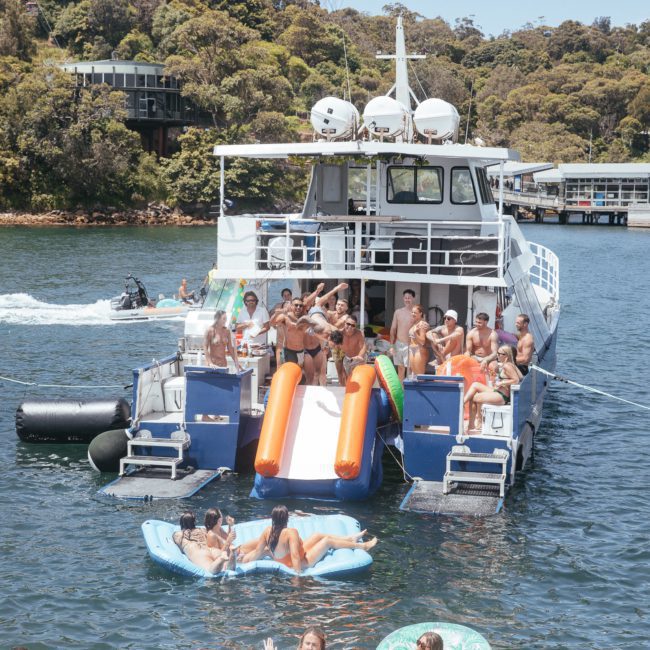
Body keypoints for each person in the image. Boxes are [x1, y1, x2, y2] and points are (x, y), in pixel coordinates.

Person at [240, 505, 377, 575]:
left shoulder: (267, 531)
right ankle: (363, 547)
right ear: (286, 518)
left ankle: (350, 538)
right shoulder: (290, 533)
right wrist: (298, 576)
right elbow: (295, 556)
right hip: (303, 562)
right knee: (327, 541)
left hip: (288, 558)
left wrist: (243, 560)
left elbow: (258, 552)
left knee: (317, 535)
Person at [463, 345, 523, 432]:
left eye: (499, 354)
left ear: (506, 355)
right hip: (498, 391)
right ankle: (463, 404)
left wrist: (502, 382)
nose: (497, 355)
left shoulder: (507, 366)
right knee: (475, 385)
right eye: (497, 353)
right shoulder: (510, 365)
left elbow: (516, 380)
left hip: (501, 396)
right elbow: (521, 377)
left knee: (475, 397)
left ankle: (475, 422)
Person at [270, 298, 307, 369]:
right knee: (289, 374)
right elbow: (272, 323)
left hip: (301, 352)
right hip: (289, 352)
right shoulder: (285, 317)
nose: (298, 307)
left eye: (300, 306)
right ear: (291, 306)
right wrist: (276, 314)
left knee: (298, 373)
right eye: (296, 305)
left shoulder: (304, 318)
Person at [390, 289, 416, 381]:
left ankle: (409, 392)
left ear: (413, 298)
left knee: (410, 369)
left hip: (411, 344)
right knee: (400, 369)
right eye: (405, 298)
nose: (407, 300)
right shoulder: (398, 312)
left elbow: (422, 326)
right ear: (403, 298)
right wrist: (392, 345)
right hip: (399, 344)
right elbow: (393, 329)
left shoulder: (416, 313)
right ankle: (401, 391)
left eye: (409, 298)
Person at [340, 315, 367, 382]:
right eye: (348, 324)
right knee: (348, 379)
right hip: (347, 358)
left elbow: (363, 346)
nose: (350, 327)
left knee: (358, 378)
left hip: (358, 358)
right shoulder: (340, 333)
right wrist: (326, 347)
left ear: (355, 326)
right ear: (344, 323)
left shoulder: (359, 333)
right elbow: (331, 339)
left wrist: (359, 356)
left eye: (353, 325)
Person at [408, 304, 430, 377]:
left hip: (419, 350)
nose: (413, 314)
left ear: (420, 313)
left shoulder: (422, 324)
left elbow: (422, 341)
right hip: (412, 349)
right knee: (414, 376)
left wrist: (415, 333)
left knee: (420, 376)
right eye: (412, 312)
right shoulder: (415, 323)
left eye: (415, 312)